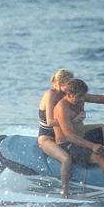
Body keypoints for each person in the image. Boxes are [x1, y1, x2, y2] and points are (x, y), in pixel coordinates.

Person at [37, 69, 75, 198]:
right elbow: (50, 121)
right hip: (46, 138)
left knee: (100, 128)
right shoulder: (50, 94)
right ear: (59, 83)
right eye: (69, 84)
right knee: (66, 159)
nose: (72, 87)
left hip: (63, 135)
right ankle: (64, 192)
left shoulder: (66, 95)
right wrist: (73, 120)